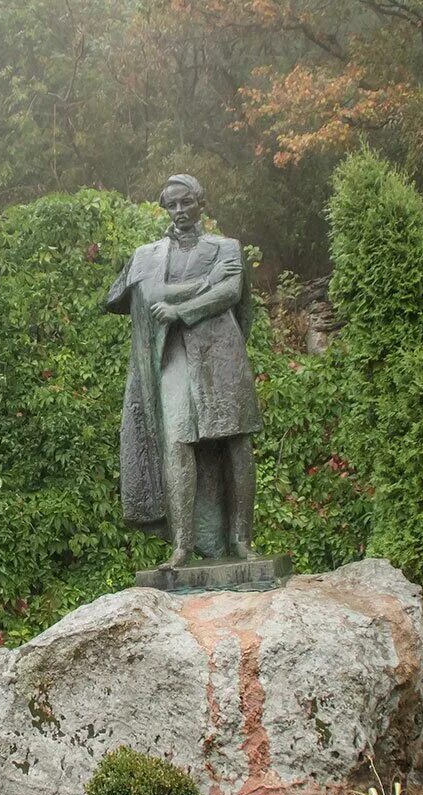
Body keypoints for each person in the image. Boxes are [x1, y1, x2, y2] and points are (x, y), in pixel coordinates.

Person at [105, 174, 262, 570]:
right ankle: (182, 546)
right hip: (173, 355)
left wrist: (180, 306)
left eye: (185, 203)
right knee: (176, 440)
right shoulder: (149, 254)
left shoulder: (227, 247)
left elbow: (232, 293)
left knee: (236, 443)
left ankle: (242, 540)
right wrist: (204, 284)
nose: (179, 211)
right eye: (171, 204)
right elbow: (151, 296)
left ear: (201, 203)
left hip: (222, 352)